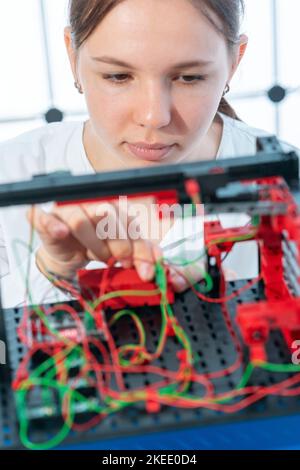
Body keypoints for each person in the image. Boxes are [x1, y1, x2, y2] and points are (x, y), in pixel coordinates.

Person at [0, 0, 298, 308]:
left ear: (234, 63)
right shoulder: (8, 172)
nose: (154, 116)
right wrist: (49, 269)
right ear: (72, 56)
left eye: (189, 77)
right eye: (118, 76)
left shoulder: (289, 177)